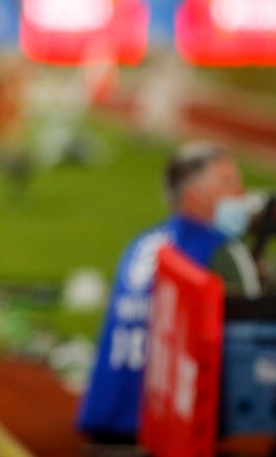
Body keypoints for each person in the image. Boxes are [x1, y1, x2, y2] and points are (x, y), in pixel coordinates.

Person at [77, 141, 264, 446]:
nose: (242, 194)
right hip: (169, 428)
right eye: (229, 183)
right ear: (194, 196)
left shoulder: (143, 241)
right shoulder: (219, 251)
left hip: (108, 413)